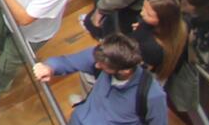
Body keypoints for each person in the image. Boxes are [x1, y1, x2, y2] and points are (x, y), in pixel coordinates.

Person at [33, 33, 170, 125]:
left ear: (124, 70)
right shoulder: (104, 56)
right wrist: (49, 67)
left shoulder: (152, 95)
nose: (97, 65)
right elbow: (69, 61)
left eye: (103, 65)